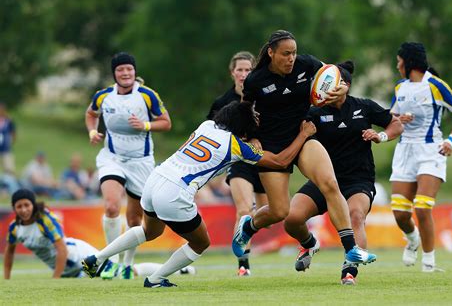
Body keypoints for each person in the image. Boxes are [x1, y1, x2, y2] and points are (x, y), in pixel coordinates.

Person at [82, 101, 317, 288]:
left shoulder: (206, 127)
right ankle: (155, 279)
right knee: (200, 242)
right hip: (175, 191)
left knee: (149, 231)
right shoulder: (235, 145)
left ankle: (98, 258)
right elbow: (280, 161)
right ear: (244, 126)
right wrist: (303, 134)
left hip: (156, 178)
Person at [232, 30, 377, 269]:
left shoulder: (305, 64)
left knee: (330, 183)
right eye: (285, 54)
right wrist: (253, 138)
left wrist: (340, 87)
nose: (291, 58)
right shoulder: (255, 80)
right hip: (272, 145)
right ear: (271, 53)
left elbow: (332, 73)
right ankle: (249, 226)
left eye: (294, 53)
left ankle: (351, 249)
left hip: (304, 136)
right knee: (280, 211)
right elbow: (244, 113)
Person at [283, 61, 403, 285]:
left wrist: (381, 136)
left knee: (355, 215)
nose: (325, 90)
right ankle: (309, 243)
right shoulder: (314, 112)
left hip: (358, 180)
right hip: (323, 180)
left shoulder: (364, 106)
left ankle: (349, 272)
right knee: (291, 219)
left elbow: (395, 125)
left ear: (344, 86)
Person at [84, 52, 172, 280]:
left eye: (129, 69)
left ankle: (127, 264)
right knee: (112, 206)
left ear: (134, 71)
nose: (125, 73)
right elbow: (91, 114)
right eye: (121, 70)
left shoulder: (147, 95)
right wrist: (92, 131)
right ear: (114, 73)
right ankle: (110, 263)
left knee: (135, 220)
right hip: (111, 158)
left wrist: (144, 125)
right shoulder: (104, 96)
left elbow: (166, 123)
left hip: (141, 163)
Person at [389, 42, 452, 272]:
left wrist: (451, 140)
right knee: (400, 214)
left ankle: (429, 263)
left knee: (423, 208)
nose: (397, 66)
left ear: (409, 62)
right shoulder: (399, 88)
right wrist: (397, 120)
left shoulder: (435, 85)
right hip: (405, 151)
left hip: (430, 150)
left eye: (399, 61)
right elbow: (390, 117)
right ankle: (412, 238)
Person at [4, 189, 195, 279]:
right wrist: (6, 277)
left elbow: (61, 249)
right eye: (19, 206)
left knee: (123, 274)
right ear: (14, 208)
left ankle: (181, 270)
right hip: (69, 270)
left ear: (33, 205)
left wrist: (56, 278)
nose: (23, 209)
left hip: (79, 257)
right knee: (121, 274)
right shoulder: (14, 227)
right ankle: (179, 270)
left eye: (26, 204)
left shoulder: (44, 220)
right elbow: (9, 252)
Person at [207, 51, 268, 276]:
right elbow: (212, 134)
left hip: (265, 161)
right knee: (244, 210)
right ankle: (243, 265)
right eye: (240, 70)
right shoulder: (222, 103)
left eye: (248, 70)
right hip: (240, 162)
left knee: (271, 214)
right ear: (232, 73)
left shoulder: (265, 96)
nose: (243, 74)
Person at [0, 102, 16, 175]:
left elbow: (13, 132)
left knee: (8, 169)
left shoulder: (8, 120)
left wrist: (11, 141)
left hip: (5, 147)